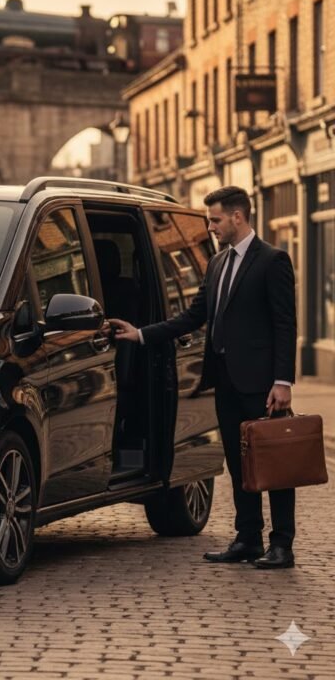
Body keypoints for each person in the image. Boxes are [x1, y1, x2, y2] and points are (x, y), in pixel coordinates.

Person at [109, 186, 297, 569]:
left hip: (262, 385)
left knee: (274, 464)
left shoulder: (272, 260)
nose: (210, 227)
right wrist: (141, 334)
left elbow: (284, 324)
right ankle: (248, 539)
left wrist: (283, 381)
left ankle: (282, 545)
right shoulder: (216, 263)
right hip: (224, 381)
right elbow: (192, 317)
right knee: (238, 464)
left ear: (238, 217)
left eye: (215, 220)